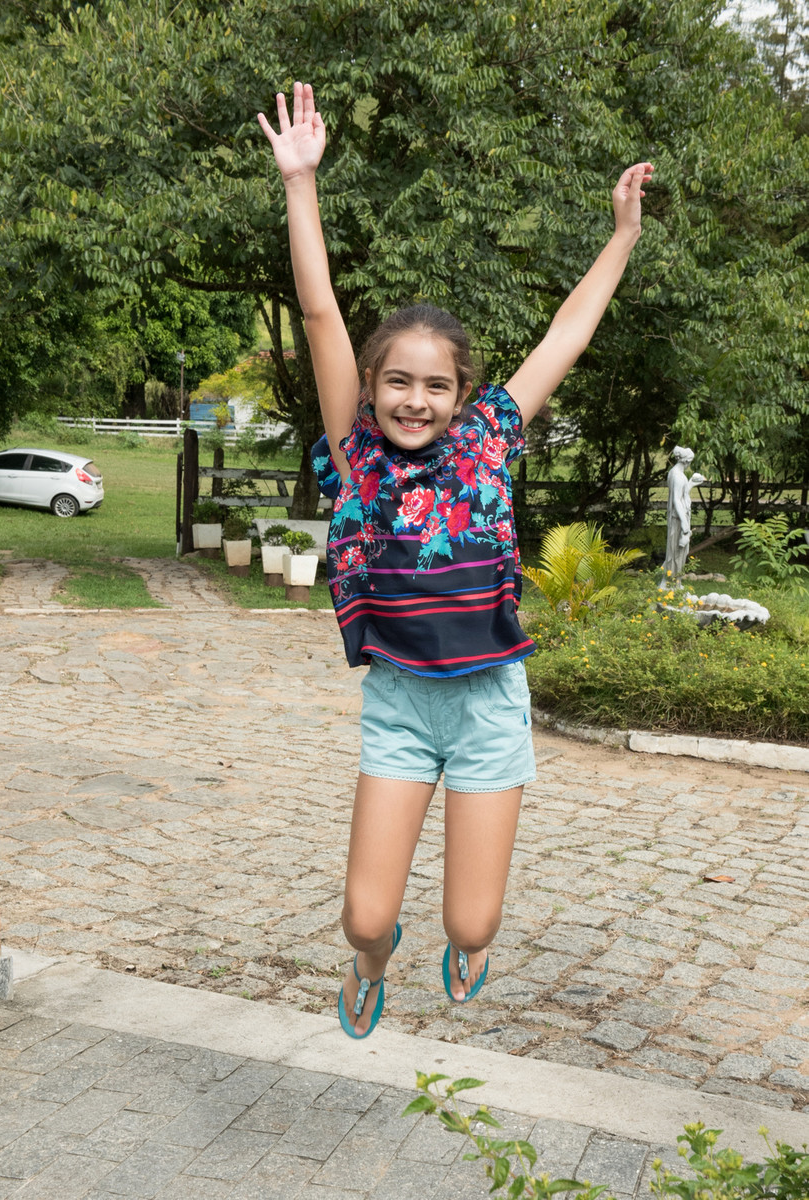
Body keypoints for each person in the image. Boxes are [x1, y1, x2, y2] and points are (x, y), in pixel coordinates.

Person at [258, 82, 652, 1038]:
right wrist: (301, 186)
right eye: (398, 380)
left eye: (437, 385)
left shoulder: (487, 441)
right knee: (365, 915)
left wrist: (623, 237)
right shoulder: (354, 454)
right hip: (399, 702)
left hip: (489, 705)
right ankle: (370, 963)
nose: (415, 400)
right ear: (373, 388)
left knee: (473, 923)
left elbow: (568, 332)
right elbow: (317, 315)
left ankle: (464, 941)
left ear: (463, 394)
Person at [661, 446, 698, 586]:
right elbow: (677, 500)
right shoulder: (677, 476)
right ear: (686, 461)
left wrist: (691, 484)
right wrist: (684, 523)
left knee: (679, 550)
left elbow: (681, 495)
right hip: (678, 519)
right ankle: (672, 583)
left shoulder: (674, 473)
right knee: (677, 552)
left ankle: (675, 582)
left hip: (679, 517)